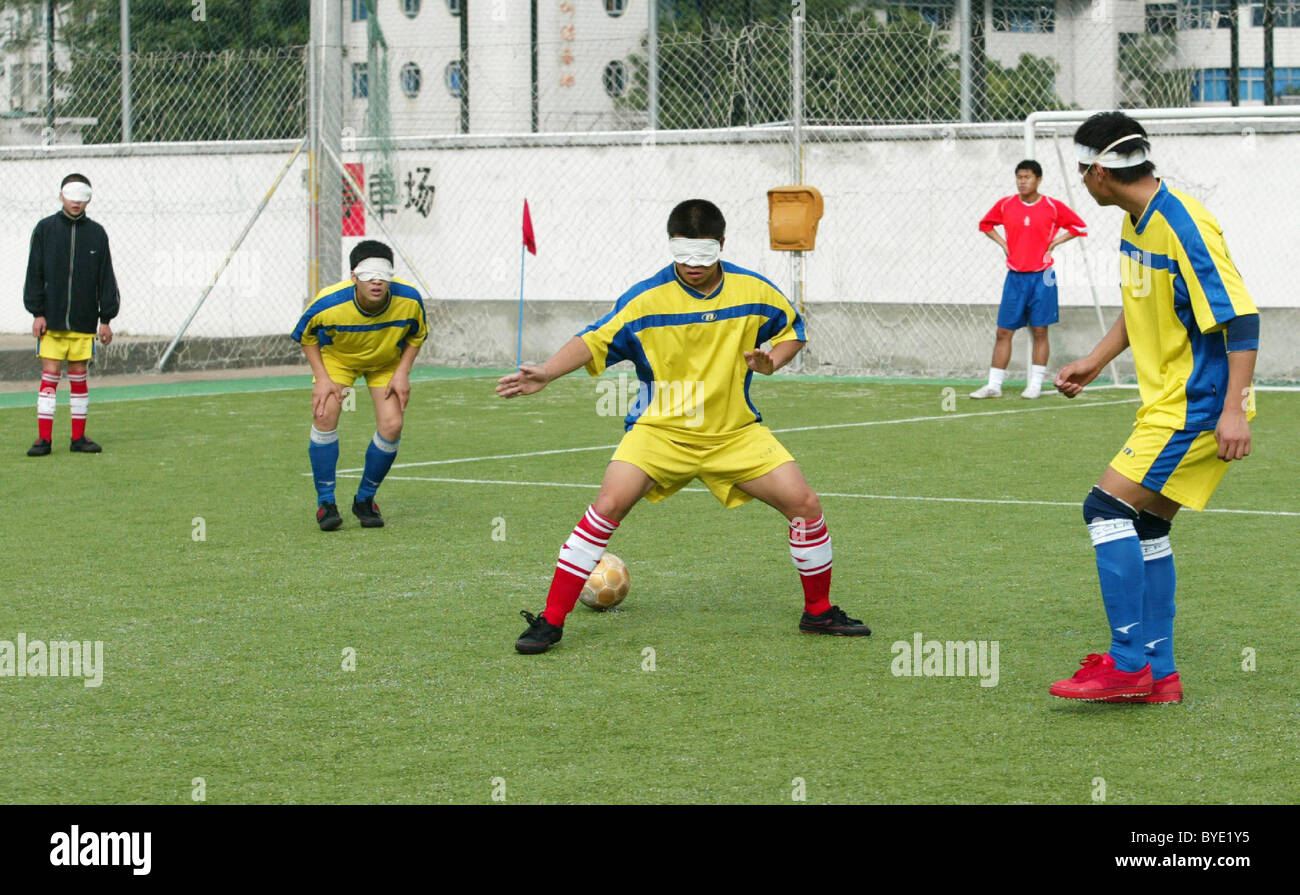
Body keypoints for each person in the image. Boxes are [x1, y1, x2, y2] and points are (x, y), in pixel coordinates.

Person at [497, 199, 872, 655]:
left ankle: (818, 612)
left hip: (733, 431)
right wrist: (548, 372)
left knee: (805, 505)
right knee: (608, 505)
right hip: (659, 431)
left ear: (722, 245)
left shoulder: (752, 290)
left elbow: (793, 328)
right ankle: (551, 620)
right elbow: (595, 338)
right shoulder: (645, 299)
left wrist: (771, 359)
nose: (693, 266)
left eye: (704, 255)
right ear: (671, 245)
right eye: (683, 254)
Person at [1050, 111, 1259, 703]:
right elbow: (1142, 304)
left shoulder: (1183, 223)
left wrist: (1236, 410)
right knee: (1146, 523)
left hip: (1200, 403)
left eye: (1081, 170)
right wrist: (1094, 359)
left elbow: (1242, 318)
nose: (1081, 181)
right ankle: (1159, 674)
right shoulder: (1136, 220)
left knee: (1104, 507)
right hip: (1172, 401)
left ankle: (1126, 665)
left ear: (1096, 171)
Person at [291, 240, 428, 531]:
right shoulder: (330, 302)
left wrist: (403, 372)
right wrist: (322, 378)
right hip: (339, 359)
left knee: (392, 425)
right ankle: (326, 502)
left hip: (385, 361)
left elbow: (417, 336)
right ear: (354, 276)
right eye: (368, 274)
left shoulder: (410, 300)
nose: (376, 280)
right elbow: (306, 335)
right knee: (324, 414)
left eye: (383, 273)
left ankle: (365, 499)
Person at [973, 160, 1088, 399]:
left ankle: (1035, 384)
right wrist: (1004, 244)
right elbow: (985, 225)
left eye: (1027, 177)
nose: (1022, 182)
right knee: (1004, 331)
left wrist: (1056, 242)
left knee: (1039, 331)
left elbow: (1079, 227)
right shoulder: (1006, 205)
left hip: (1042, 277)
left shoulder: (1052, 207)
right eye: (1019, 177)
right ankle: (994, 385)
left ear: (1038, 180)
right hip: (1015, 277)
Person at [23, 173, 119, 455]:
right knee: (50, 375)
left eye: (82, 196)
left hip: (83, 322)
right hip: (51, 322)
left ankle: (78, 438)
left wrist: (106, 320)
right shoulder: (45, 229)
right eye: (71, 195)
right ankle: (44, 439)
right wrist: (37, 312)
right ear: (61, 195)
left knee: (79, 376)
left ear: (89, 198)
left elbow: (106, 278)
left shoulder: (97, 234)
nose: (76, 202)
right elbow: (34, 272)